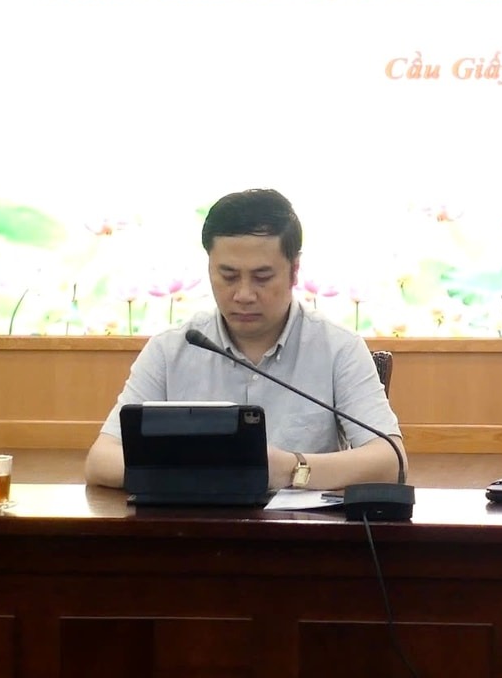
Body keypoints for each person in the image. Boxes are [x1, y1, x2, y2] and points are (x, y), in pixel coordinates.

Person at [84, 189, 404, 492]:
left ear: (294, 271)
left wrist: (292, 469)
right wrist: (211, 472)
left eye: (262, 277)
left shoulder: (338, 348)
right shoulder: (170, 350)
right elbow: (102, 460)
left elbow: (391, 461)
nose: (244, 294)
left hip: (301, 527)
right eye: (228, 276)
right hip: (191, 525)